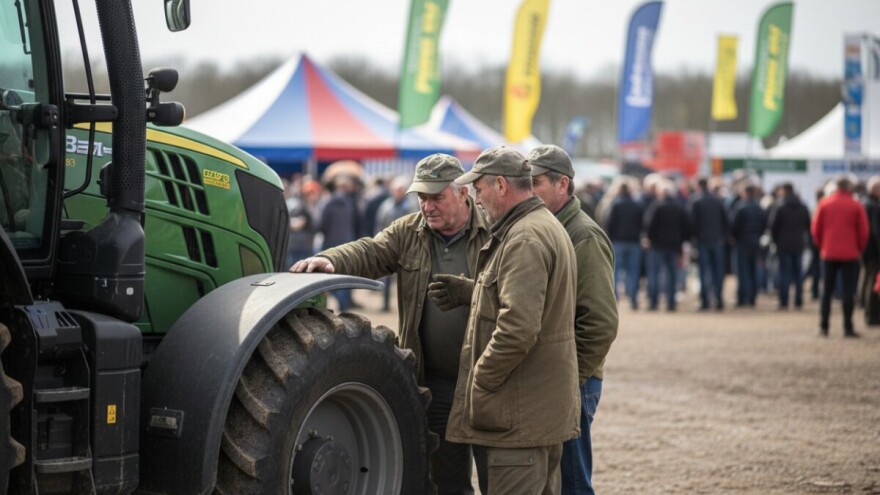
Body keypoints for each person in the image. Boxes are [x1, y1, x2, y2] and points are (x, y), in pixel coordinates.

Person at [290, 154, 490, 494]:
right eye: (421, 197)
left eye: (436, 197)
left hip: (488, 379)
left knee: (500, 477)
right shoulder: (409, 231)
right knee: (446, 480)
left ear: (462, 193)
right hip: (437, 384)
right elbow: (371, 251)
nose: (427, 206)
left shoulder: (494, 231)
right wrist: (330, 259)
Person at [443, 146, 580, 495]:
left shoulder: (524, 237)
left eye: (480, 189)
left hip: (518, 417)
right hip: (530, 412)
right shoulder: (535, 227)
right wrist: (473, 292)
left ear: (501, 186)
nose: (477, 198)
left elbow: (518, 327)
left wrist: (482, 380)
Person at [528, 145, 618, 495]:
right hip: (556, 377)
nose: (528, 190)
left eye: (535, 182)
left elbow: (600, 321)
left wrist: (570, 377)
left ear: (562, 184)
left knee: (572, 483)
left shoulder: (583, 234)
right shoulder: (549, 227)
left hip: (572, 381)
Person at [811, 175, 869, 337]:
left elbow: (815, 228)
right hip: (850, 254)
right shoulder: (856, 205)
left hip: (828, 252)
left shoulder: (824, 203)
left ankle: (824, 326)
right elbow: (863, 232)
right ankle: (848, 327)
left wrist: (823, 245)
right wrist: (858, 248)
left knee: (826, 291)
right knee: (848, 292)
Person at [643, 180, 690, 312]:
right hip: (674, 246)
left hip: (657, 246)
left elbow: (649, 225)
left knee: (654, 274)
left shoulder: (657, 206)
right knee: (672, 275)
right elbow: (687, 227)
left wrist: (650, 239)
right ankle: (671, 303)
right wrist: (681, 242)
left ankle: (653, 302)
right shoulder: (679, 207)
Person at [687, 177, 729, 311]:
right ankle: (719, 299)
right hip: (717, 240)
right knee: (718, 271)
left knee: (704, 271)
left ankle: (705, 301)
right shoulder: (718, 201)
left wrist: (692, 239)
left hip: (702, 240)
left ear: (699, 186)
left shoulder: (695, 201)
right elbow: (725, 221)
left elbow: (691, 223)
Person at [767, 183, 811, 310]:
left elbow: (772, 226)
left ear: (784, 191)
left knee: (784, 273)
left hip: (783, 245)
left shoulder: (780, 206)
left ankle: (784, 301)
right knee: (798, 274)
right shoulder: (803, 206)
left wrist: (776, 241)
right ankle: (798, 300)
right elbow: (808, 226)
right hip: (799, 245)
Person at [604, 179, 644, 310]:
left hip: (618, 241)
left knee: (615, 272)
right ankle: (633, 300)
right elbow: (642, 223)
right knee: (633, 272)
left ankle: (613, 299)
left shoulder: (616, 205)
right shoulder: (637, 205)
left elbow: (609, 223)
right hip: (634, 242)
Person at [729, 184, 766, 308]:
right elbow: (764, 224)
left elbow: (734, 225)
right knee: (753, 271)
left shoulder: (741, 207)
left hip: (742, 243)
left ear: (745, 193)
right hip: (755, 242)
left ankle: (742, 298)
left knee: (742, 272)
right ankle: (752, 298)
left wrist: (734, 237)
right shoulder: (759, 207)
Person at [860, 176, 880, 325]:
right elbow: (876, 231)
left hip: (866, 248)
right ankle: (872, 314)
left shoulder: (865, 203)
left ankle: (866, 308)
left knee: (867, 278)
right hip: (873, 250)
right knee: (873, 281)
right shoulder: (874, 206)